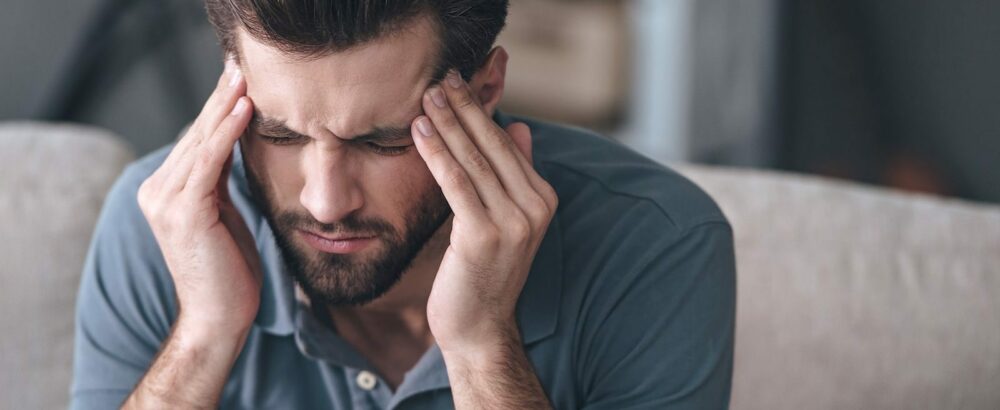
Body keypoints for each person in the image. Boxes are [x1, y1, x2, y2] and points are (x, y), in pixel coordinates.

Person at [71, 1, 736, 408]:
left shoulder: (659, 245)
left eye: (382, 140)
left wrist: (481, 348)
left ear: (484, 91)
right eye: (278, 133)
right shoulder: (165, 222)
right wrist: (203, 337)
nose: (325, 201)